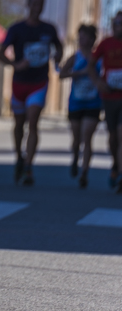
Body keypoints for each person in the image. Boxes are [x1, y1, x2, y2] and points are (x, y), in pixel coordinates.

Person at [0, 0, 62, 186]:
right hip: (19, 82)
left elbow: (59, 47)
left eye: (41, 4)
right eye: (34, 3)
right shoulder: (17, 28)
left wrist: (58, 56)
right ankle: (19, 156)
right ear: (28, 5)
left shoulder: (49, 29)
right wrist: (15, 65)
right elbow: (0, 54)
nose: (37, 7)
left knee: (33, 121)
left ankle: (29, 166)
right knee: (18, 125)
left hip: (39, 82)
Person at [61, 24, 101, 189]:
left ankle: (84, 172)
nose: (82, 40)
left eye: (85, 37)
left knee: (87, 137)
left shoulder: (98, 57)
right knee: (77, 138)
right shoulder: (75, 57)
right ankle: (75, 155)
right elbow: (62, 74)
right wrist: (79, 73)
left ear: (92, 39)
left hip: (93, 102)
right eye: (80, 37)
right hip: (76, 102)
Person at [91, 11, 122, 192]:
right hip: (109, 97)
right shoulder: (106, 43)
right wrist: (97, 81)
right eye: (117, 23)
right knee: (113, 137)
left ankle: (120, 174)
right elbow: (91, 65)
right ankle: (115, 165)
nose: (119, 26)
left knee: (121, 134)